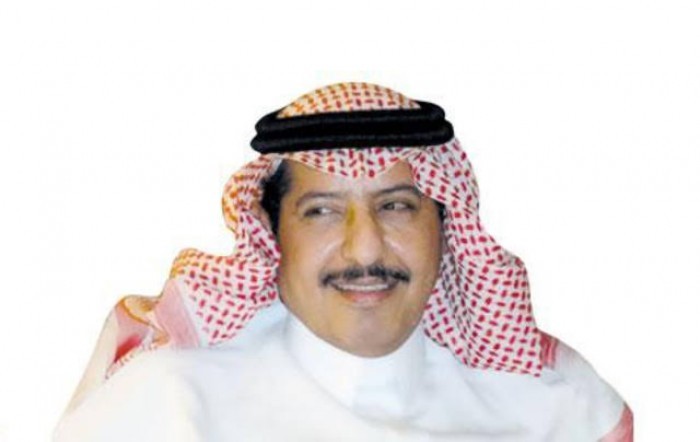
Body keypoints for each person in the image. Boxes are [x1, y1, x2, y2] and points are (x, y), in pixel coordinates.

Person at [54, 82, 632, 441]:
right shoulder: (168, 404)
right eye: (323, 212)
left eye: (397, 206)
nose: (365, 249)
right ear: (272, 234)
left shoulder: (556, 409)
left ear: (445, 226)